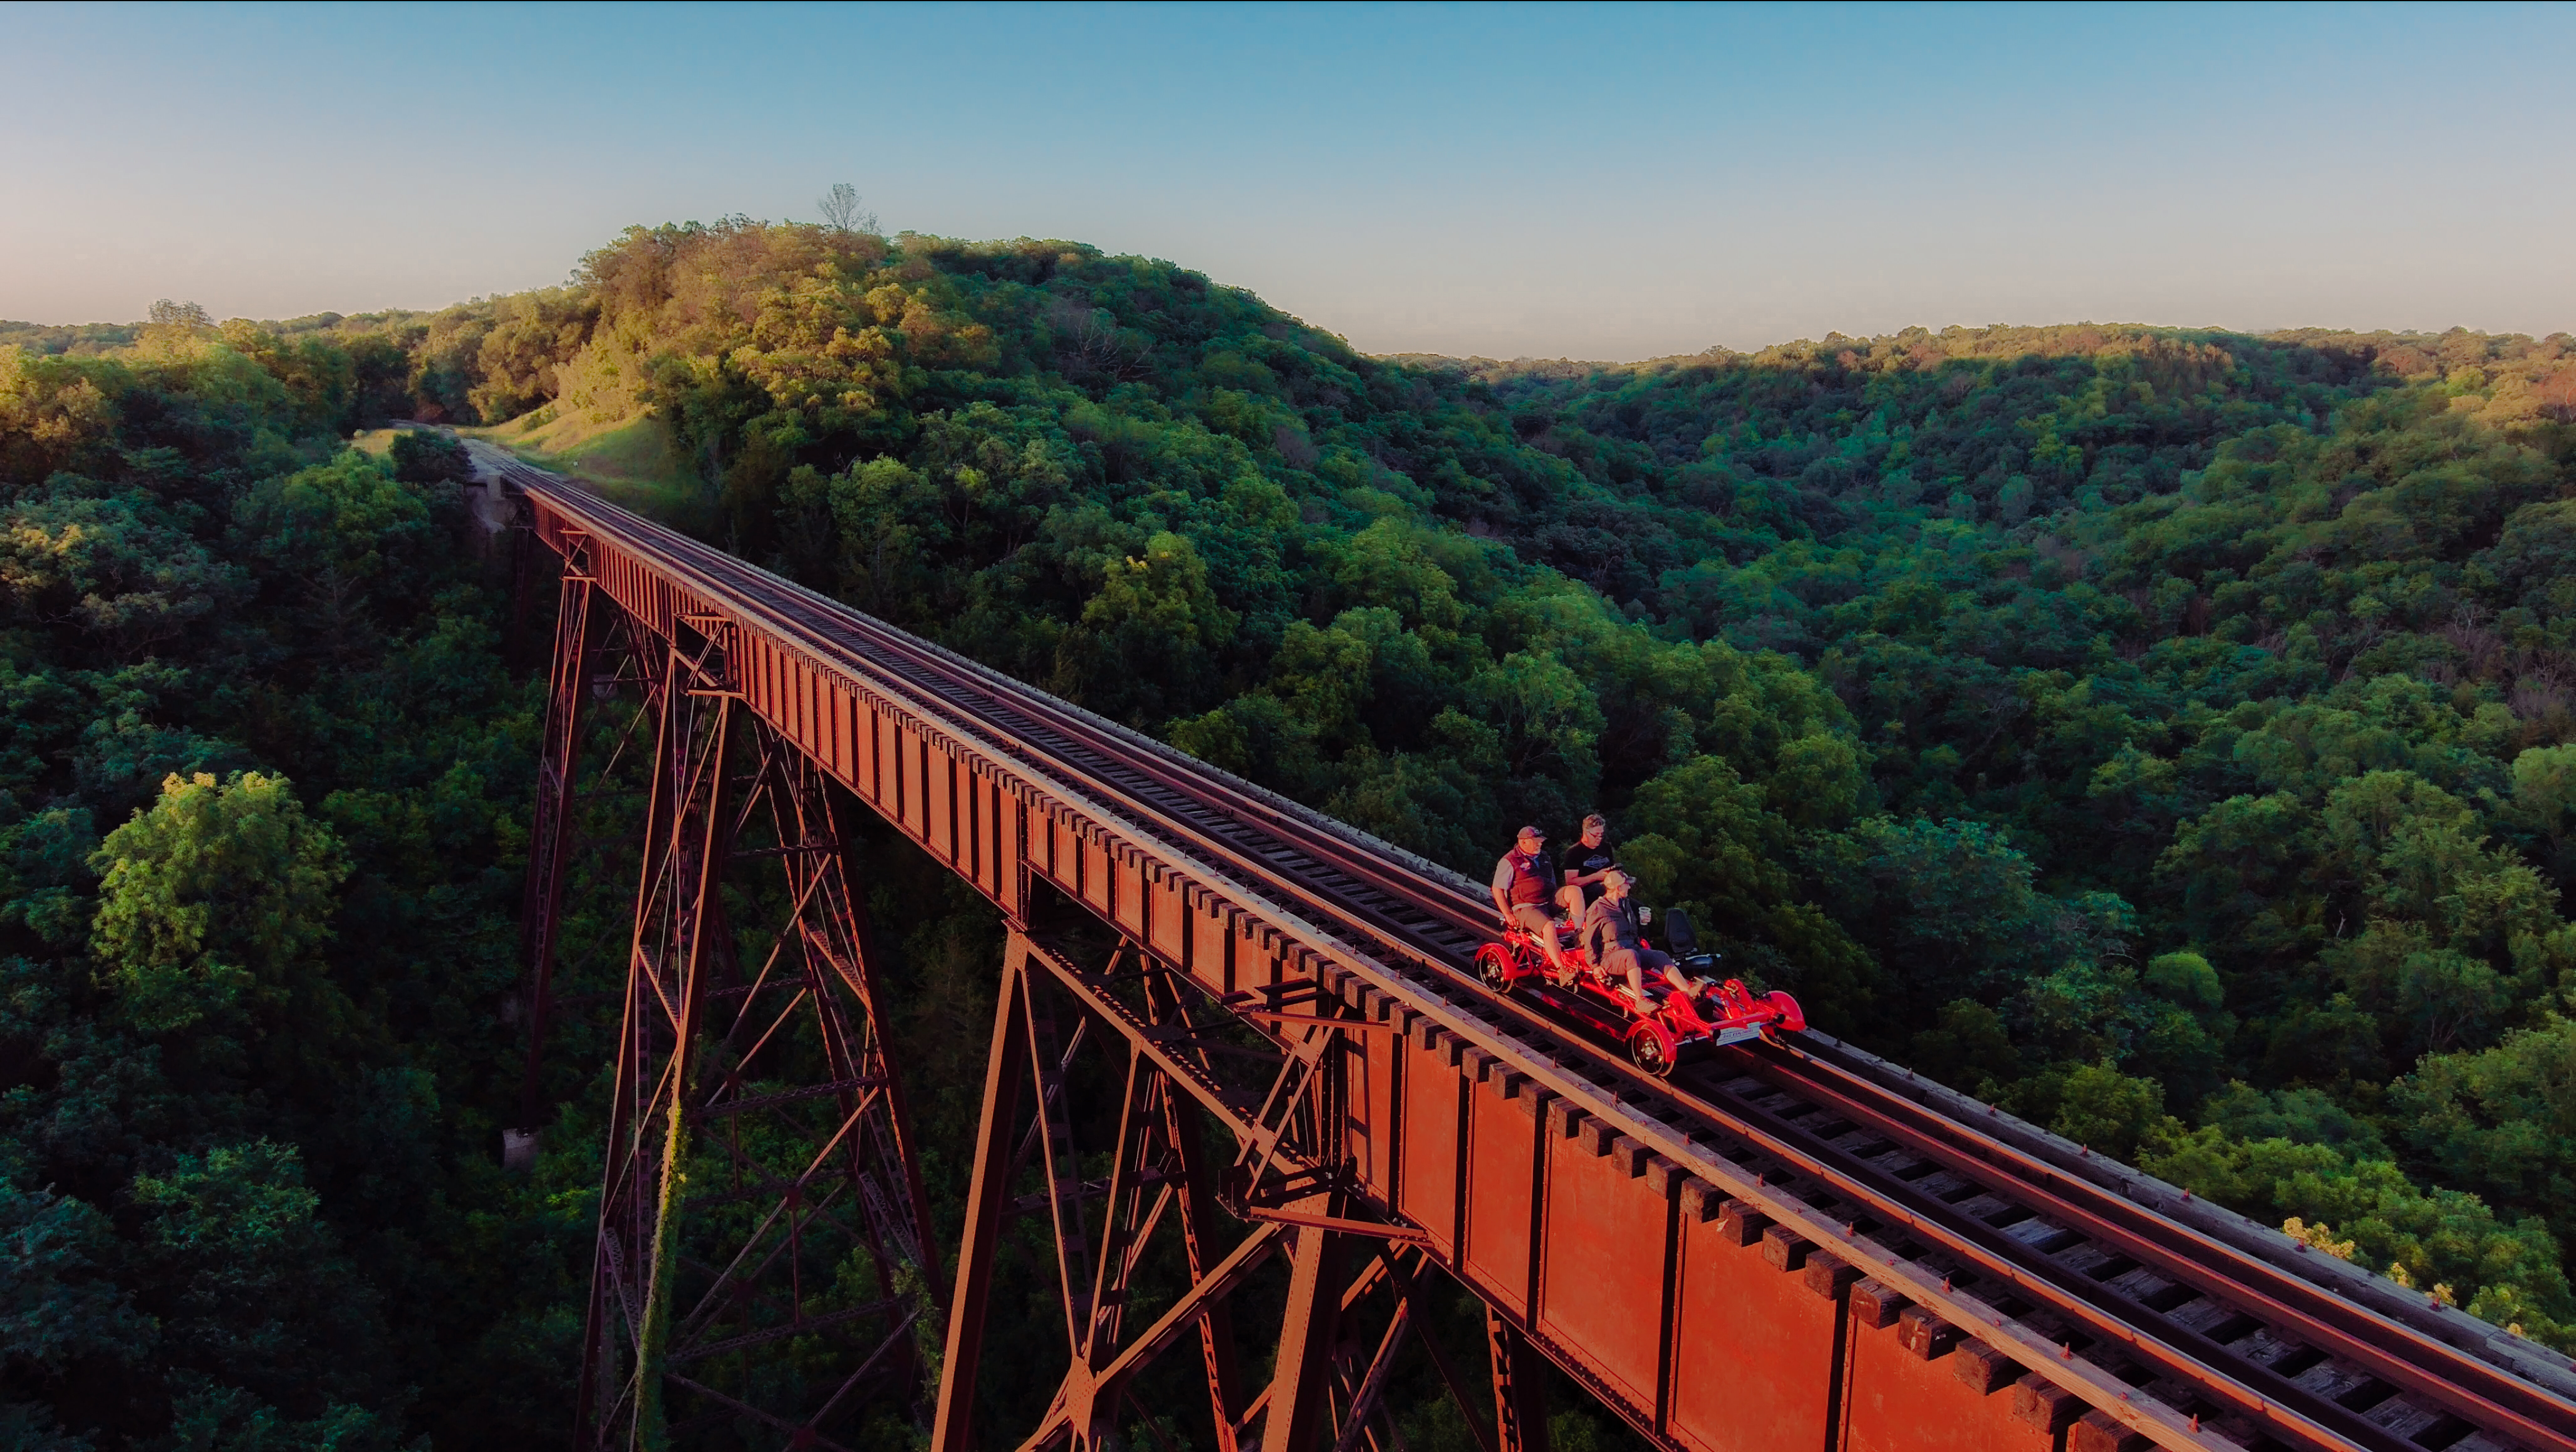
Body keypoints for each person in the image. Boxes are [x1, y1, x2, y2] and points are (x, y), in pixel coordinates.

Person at [1584, 871, 1703, 1007]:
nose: (1629, 888)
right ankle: (1640, 1000)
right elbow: (1590, 939)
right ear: (1618, 888)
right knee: (1631, 956)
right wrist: (1595, 966)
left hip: (1632, 949)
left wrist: (1644, 924)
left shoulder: (1625, 905)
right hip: (1610, 956)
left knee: (1660, 956)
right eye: (1627, 885)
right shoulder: (1598, 909)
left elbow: (1635, 933)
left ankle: (1688, 992)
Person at [1488, 825, 1569, 977]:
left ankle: (1580, 937)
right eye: (1536, 841)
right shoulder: (1509, 861)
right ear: (1524, 842)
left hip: (1546, 903)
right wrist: (1508, 914)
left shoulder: (1544, 858)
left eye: (1540, 841)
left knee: (1574, 892)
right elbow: (1497, 889)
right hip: (1525, 908)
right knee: (1549, 926)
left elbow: (1552, 882)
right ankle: (1561, 969)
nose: (1540, 844)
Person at [1559, 812, 1618, 917]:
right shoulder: (1574, 852)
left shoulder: (1606, 847)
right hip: (1588, 893)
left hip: (1610, 887)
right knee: (1605, 890)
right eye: (1596, 835)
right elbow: (1571, 882)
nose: (1599, 838)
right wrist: (1595, 877)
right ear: (1586, 833)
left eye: (1601, 835)